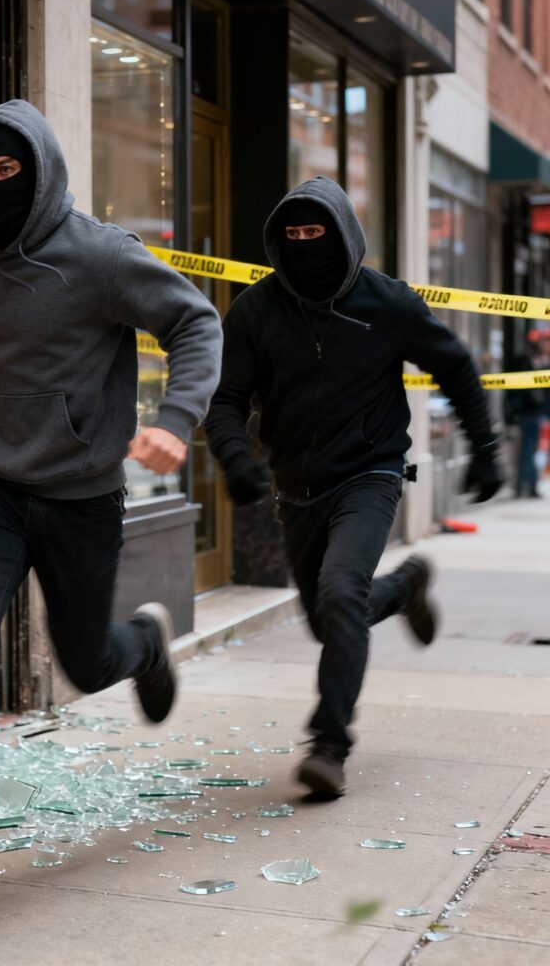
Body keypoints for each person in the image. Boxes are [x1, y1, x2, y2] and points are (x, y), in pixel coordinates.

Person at [0, 99, 221, 931]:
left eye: (6, 170)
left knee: (87, 663)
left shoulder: (99, 255)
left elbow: (194, 323)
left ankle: (145, 644)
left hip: (83, 493)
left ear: (40, 167)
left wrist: (175, 421)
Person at [205, 176, 501, 799]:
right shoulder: (256, 310)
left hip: (370, 474)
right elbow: (226, 399)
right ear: (278, 241)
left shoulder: (386, 303)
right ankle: (407, 586)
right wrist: (235, 455)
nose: (306, 244)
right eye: (295, 235)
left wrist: (485, 447)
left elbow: (454, 364)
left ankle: (328, 746)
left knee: (341, 596)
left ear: (343, 234)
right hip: (295, 486)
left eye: (318, 232)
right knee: (330, 619)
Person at [505, 327, 550, 498]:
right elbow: (519, 391)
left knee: (535, 450)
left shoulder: (544, 362)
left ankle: (530, 485)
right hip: (527, 413)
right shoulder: (526, 362)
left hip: (539, 413)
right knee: (527, 450)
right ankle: (522, 486)